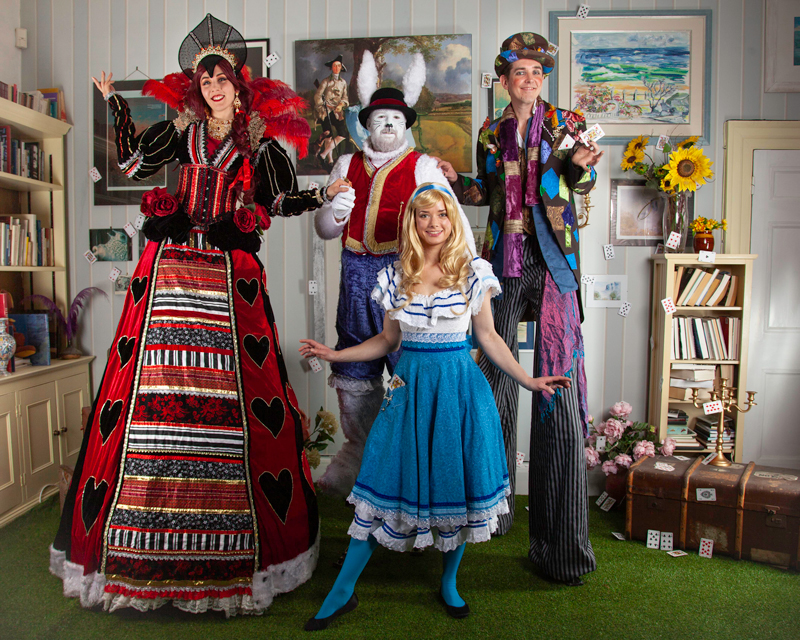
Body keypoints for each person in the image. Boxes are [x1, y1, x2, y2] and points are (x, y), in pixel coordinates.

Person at [50, 14, 349, 616]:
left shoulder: (260, 142)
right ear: (199, 87)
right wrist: (115, 105)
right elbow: (131, 166)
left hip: (228, 274)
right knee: (157, 386)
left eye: (222, 80)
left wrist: (324, 194)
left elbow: (278, 201)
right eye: (205, 80)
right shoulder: (180, 132)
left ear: (239, 86)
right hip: (170, 273)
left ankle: (234, 541)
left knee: (237, 389)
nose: (213, 88)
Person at [299, 183, 570, 630]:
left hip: (460, 391)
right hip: (408, 391)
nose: (434, 223)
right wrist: (336, 354)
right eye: (425, 215)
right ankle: (342, 592)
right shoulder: (396, 275)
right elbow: (387, 342)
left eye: (443, 214)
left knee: (454, 484)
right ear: (413, 222)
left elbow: (488, 337)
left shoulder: (472, 271)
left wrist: (528, 380)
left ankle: (449, 582)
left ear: (453, 220)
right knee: (380, 484)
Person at [437, 32, 603, 585]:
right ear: (504, 80)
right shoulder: (490, 130)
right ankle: (495, 512)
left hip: (555, 263)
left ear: (543, 78)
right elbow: (486, 192)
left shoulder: (567, 122)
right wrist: (456, 180)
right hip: (502, 262)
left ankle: (562, 551)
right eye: (519, 72)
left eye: (536, 72)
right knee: (496, 385)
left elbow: (583, 180)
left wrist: (580, 166)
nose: (528, 79)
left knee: (558, 391)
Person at [313, 50, 477, 500]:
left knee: (411, 372)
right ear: (366, 124)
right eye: (380, 118)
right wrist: (335, 212)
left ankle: (411, 465)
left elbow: (452, 222)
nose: (388, 124)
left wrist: (466, 278)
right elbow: (325, 229)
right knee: (356, 375)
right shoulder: (345, 165)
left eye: (396, 118)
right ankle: (359, 456)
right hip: (353, 280)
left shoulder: (424, 166)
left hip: (406, 280)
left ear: (406, 125)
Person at [313, 54, 349, 169]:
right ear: (331, 68)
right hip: (325, 111)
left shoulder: (343, 83)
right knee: (328, 135)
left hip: (337, 112)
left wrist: (341, 104)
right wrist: (322, 106)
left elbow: (345, 98)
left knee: (342, 134)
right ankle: (330, 160)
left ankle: (323, 155)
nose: (336, 68)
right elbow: (317, 96)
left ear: (341, 68)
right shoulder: (325, 82)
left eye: (339, 66)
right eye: (334, 66)